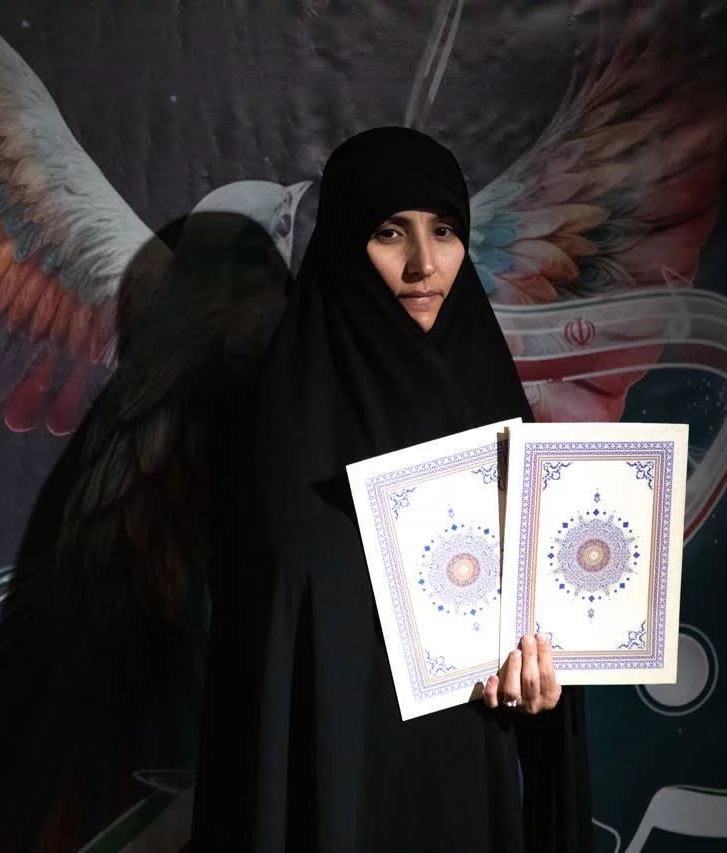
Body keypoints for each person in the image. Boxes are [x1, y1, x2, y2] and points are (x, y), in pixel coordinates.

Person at [190, 126, 593, 852]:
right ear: (345, 241)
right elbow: (265, 677)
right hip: (333, 796)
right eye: (389, 232)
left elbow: (545, 634)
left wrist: (542, 685)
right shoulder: (283, 430)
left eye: (445, 231)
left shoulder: (490, 402)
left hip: (463, 786)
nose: (424, 264)